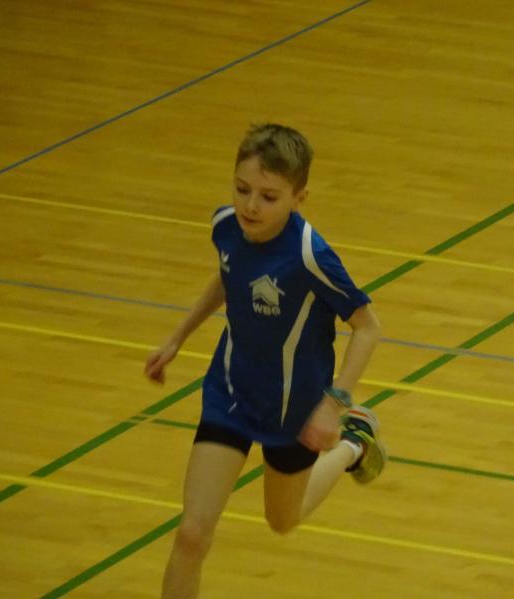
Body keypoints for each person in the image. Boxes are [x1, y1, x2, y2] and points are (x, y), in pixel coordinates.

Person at [144, 123, 386, 599]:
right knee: (191, 534)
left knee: (282, 520)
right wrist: (177, 337)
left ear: (299, 198)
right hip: (231, 395)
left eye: (269, 196)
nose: (250, 206)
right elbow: (228, 274)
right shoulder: (226, 226)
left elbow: (368, 327)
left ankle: (352, 444)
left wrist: (333, 405)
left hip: (294, 411)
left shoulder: (310, 256)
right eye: (242, 189)